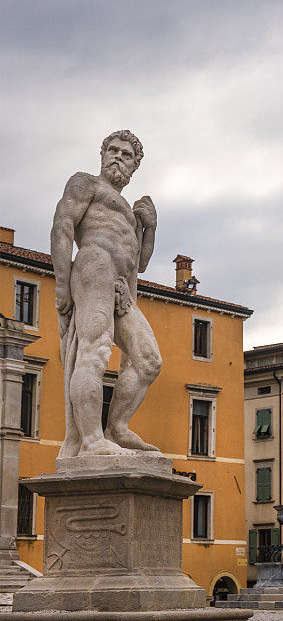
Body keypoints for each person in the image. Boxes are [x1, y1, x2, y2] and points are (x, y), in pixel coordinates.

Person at [51, 130, 162, 457]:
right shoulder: (86, 184)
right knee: (95, 349)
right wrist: (62, 287)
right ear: (102, 156)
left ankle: (117, 428)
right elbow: (62, 227)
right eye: (112, 150)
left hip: (121, 288)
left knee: (148, 360)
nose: (117, 157)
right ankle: (90, 440)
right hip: (94, 266)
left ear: (133, 167)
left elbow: (139, 264)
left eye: (126, 155)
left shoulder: (130, 211)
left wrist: (151, 227)